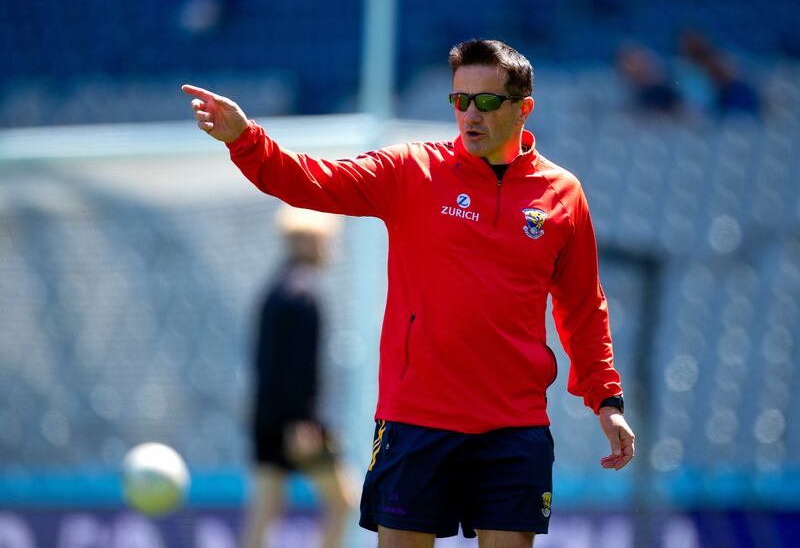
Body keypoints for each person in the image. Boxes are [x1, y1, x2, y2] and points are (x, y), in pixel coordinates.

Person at [183, 38, 635, 548]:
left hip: (514, 426)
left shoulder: (563, 194)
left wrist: (606, 399)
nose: (470, 113)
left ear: (523, 108)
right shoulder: (411, 171)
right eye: (460, 100)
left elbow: (583, 307)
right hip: (417, 419)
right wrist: (245, 140)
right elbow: (314, 181)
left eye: (486, 101)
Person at [242, 205, 353, 548]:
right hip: (298, 423)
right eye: (325, 241)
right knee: (344, 503)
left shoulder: (273, 289)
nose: (329, 249)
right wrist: (301, 421)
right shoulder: (305, 294)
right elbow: (297, 367)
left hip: (265, 418)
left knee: (265, 510)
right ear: (309, 243)